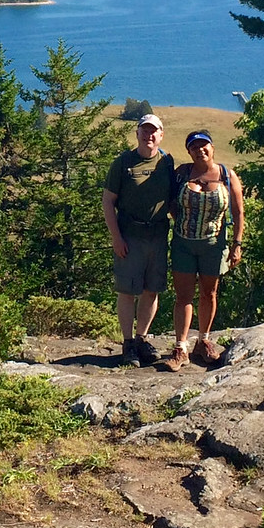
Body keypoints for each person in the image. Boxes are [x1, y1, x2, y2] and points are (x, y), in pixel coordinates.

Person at [161, 129, 244, 371]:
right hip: (183, 244)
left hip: (214, 245)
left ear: (212, 147)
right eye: (194, 147)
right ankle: (180, 347)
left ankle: (204, 340)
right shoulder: (182, 174)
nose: (200, 150)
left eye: (204, 145)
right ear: (188, 151)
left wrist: (236, 244)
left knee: (209, 294)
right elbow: (169, 202)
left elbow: (238, 212)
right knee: (183, 296)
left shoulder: (227, 176)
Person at [102, 113, 174, 367]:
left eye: (154, 131)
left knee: (151, 289)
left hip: (157, 236)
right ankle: (128, 342)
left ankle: (142, 339)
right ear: (137, 133)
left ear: (161, 135)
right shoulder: (123, 163)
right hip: (130, 236)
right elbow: (108, 201)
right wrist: (116, 237)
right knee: (127, 291)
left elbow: (172, 200)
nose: (149, 135)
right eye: (145, 130)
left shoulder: (167, 162)